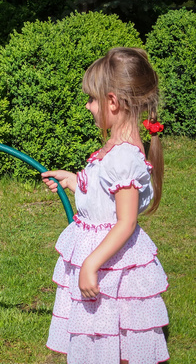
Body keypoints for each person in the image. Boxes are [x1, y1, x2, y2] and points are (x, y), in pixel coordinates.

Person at [41, 47, 169, 364]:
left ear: (113, 102)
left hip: (111, 263)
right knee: (100, 339)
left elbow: (124, 222)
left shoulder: (124, 157)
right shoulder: (115, 147)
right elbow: (104, 197)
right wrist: (74, 181)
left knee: (114, 339)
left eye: (92, 99)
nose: (88, 106)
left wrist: (90, 264)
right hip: (104, 257)